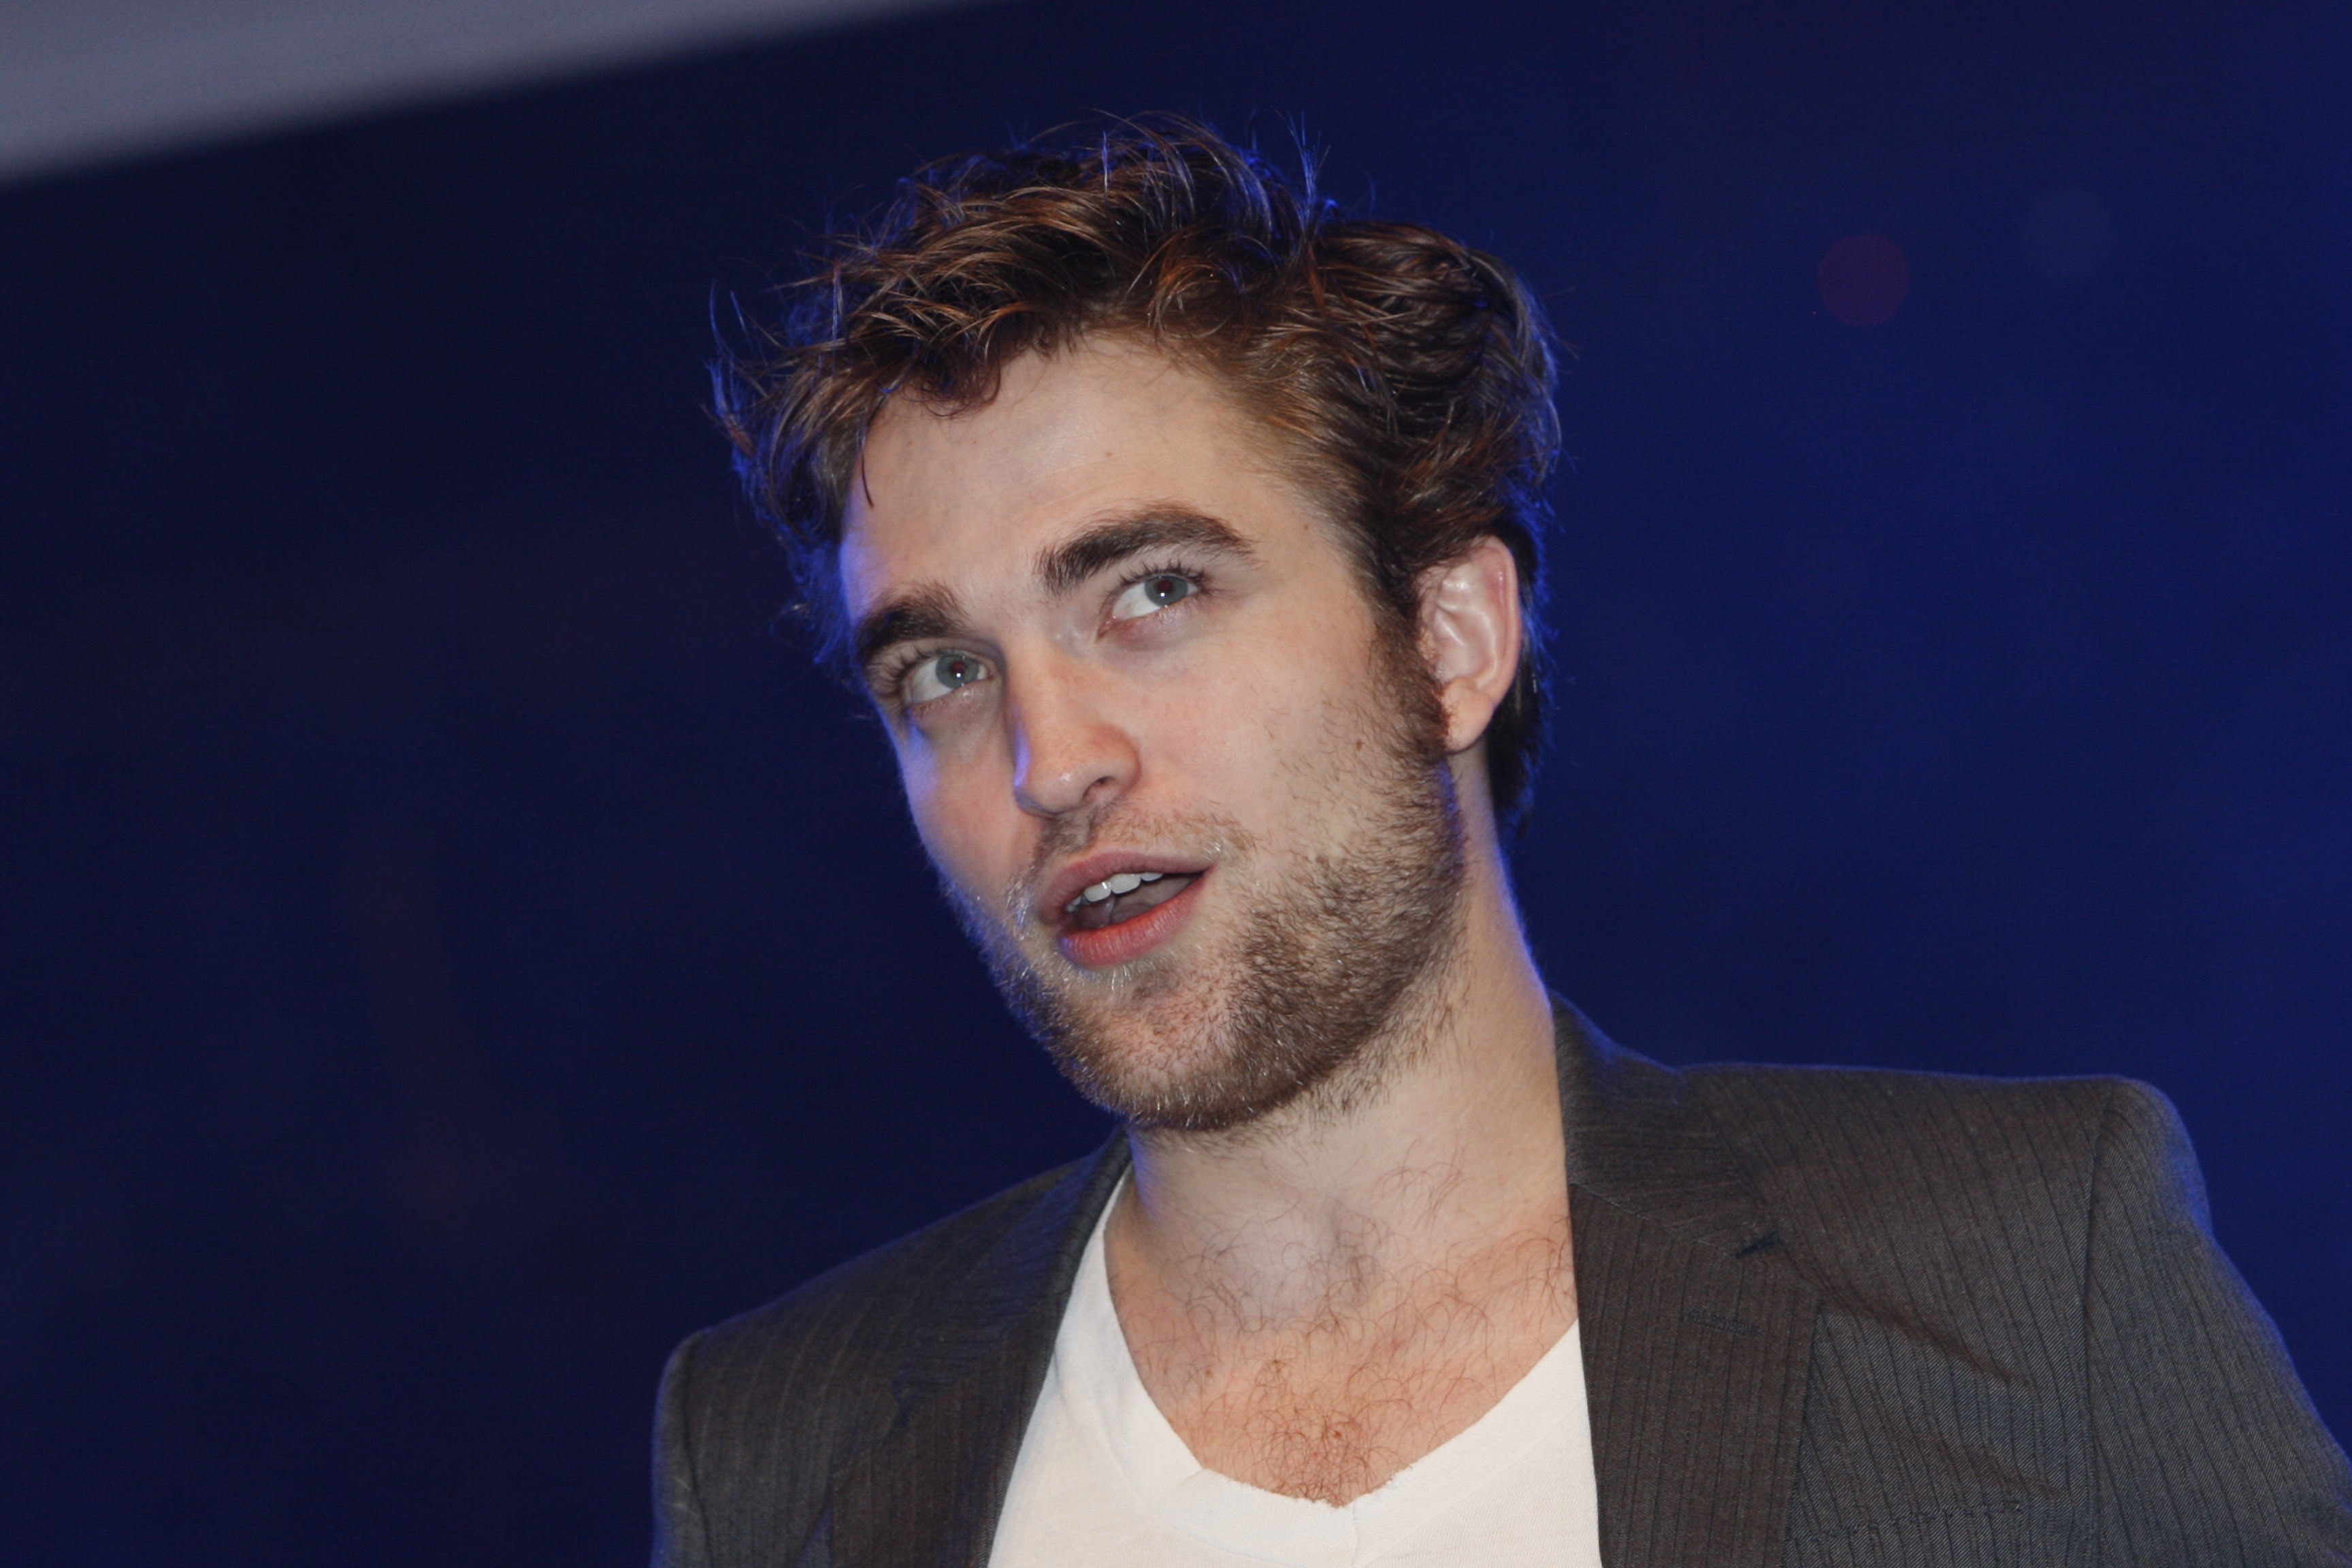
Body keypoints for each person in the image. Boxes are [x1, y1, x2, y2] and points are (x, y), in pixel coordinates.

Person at [649, 118, 2351, 1567]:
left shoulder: (2018, 1273)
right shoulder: (783, 1456)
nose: (1050, 759)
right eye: (944, 673)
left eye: (1154, 592)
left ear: (1451, 640)